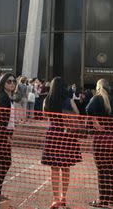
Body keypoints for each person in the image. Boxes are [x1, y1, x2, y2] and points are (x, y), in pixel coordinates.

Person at [41, 77, 82, 209]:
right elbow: (77, 113)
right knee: (65, 167)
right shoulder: (68, 100)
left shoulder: (47, 99)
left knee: (54, 168)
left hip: (53, 133)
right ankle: (63, 197)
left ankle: (55, 199)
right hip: (66, 135)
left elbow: (44, 115)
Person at [86, 78, 113, 208]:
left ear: (98, 87)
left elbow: (88, 111)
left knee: (102, 170)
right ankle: (110, 200)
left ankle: (103, 200)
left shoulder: (97, 98)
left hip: (101, 140)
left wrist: (94, 122)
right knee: (112, 169)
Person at [0, 72, 16, 202]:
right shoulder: (2, 97)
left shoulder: (6, 96)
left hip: (3, 134)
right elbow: (0, 119)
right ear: (3, 82)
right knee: (3, 162)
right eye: (9, 81)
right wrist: (6, 135)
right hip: (0, 135)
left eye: (13, 81)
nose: (12, 83)